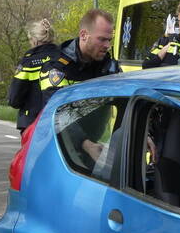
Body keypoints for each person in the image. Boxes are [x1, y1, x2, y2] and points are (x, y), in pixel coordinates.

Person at [38, 8, 122, 157]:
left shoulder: (109, 66)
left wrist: (141, 133)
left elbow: (124, 102)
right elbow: (57, 113)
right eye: (102, 39)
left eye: (109, 39)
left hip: (96, 148)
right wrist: (86, 144)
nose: (107, 45)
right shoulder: (56, 68)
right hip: (60, 152)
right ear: (84, 35)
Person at [7, 19, 58, 134]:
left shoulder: (28, 62)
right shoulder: (64, 58)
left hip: (32, 122)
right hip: (59, 121)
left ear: (34, 40)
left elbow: (14, 98)